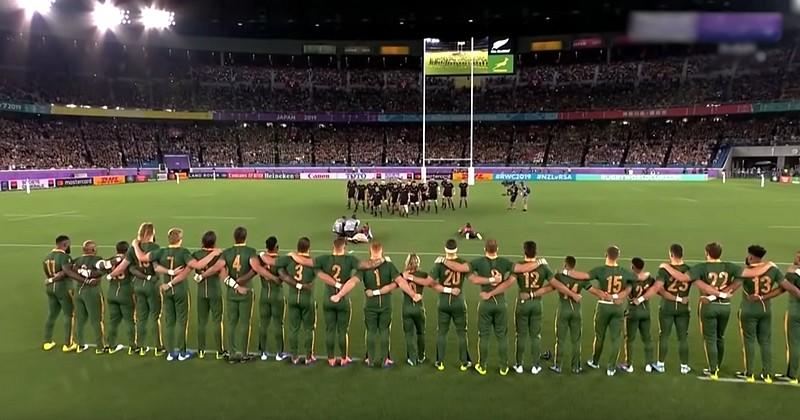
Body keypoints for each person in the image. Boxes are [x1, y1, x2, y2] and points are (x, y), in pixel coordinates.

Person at [661, 242, 774, 380]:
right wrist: (768, 265)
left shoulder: (701, 267)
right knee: (720, 337)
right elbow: (748, 274)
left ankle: (713, 370)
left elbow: (683, 277)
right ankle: (719, 365)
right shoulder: (730, 266)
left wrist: (666, 266)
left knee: (710, 339)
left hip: (709, 306)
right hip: (725, 306)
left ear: (707, 253)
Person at [441, 239, 539, 376]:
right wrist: (539, 262)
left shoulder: (478, 262)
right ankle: (503, 367)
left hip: (486, 304)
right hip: (500, 303)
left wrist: (444, 261)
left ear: (484, 249)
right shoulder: (504, 262)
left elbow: (462, 269)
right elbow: (522, 269)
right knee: (502, 337)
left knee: (484, 336)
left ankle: (482, 366)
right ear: (497, 249)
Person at [132, 228, 221, 361]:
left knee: (169, 322)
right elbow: (198, 265)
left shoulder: (161, 252)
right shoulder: (184, 253)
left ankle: (170, 352)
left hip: (167, 291)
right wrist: (213, 254)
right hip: (180, 290)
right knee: (181, 322)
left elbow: (143, 258)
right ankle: (182, 353)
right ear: (180, 239)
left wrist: (134, 245)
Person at [331, 242, 416, 368]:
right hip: (386, 304)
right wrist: (413, 294)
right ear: (382, 252)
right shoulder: (389, 265)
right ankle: (385, 359)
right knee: (384, 331)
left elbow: (353, 282)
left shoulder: (365, 267)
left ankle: (370, 359)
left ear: (370, 252)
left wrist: (339, 295)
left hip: (370, 304)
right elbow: (401, 281)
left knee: (370, 331)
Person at [565, 246, 644, 376]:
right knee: (616, 339)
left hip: (603, 306)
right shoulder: (624, 272)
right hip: (617, 307)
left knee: (599, 336)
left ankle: (595, 362)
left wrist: (567, 272)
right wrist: (620, 296)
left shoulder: (600, 270)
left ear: (605, 255)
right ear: (618, 256)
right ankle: (611, 368)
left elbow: (584, 276)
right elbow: (637, 279)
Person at [727, 245, 783, 383]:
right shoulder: (773, 270)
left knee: (749, 341)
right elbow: (783, 288)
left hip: (748, 310)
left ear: (751, 256)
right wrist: (765, 297)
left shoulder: (746, 271)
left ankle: (749, 373)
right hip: (765, 310)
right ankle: (767, 374)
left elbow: (733, 288)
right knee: (765, 342)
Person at [107, 222, 163, 357]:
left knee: (141, 317)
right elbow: (156, 267)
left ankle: (141, 347)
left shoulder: (133, 249)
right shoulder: (156, 247)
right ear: (152, 233)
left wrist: (110, 275)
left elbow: (122, 267)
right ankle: (158, 347)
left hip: (138, 286)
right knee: (155, 317)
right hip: (151, 286)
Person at [641, 244, 693, 375]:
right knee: (683, 337)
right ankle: (684, 366)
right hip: (683, 308)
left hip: (667, 307)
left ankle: (660, 364)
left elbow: (658, 288)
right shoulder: (689, 270)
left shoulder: (664, 270)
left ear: (671, 254)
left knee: (664, 335)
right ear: (682, 254)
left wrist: (642, 298)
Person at [314, 238, 361, 367]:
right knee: (342, 330)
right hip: (343, 300)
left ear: (333, 246)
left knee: (330, 330)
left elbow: (316, 270)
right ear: (344, 247)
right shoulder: (350, 260)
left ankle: (330, 358)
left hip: (328, 299)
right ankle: (344, 357)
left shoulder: (323, 259)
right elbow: (362, 268)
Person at [509, 241, 554, 375]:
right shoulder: (544, 267)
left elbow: (509, 281)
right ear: (536, 252)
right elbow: (553, 285)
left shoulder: (518, 266)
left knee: (521, 335)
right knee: (535, 336)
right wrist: (534, 293)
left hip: (522, 303)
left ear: (524, 251)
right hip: (536, 303)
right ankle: (535, 366)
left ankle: (519, 365)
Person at [429, 240, 470, 371]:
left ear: (445, 249)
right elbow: (473, 277)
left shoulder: (439, 264)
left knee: (441, 332)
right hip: (458, 301)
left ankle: (439, 361)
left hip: (444, 302)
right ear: (456, 250)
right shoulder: (462, 262)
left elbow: (430, 283)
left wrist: (447, 290)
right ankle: (464, 362)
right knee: (462, 333)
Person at [276, 237, 318, 365]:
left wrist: (287, 277)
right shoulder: (312, 262)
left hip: (293, 297)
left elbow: (278, 267)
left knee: (294, 328)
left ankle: (294, 356)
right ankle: (308, 356)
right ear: (308, 248)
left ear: (297, 248)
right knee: (308, 328)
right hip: (307, 298)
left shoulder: (288, 260)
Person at [548, 256, 591, 374]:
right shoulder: (581, 278)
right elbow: (592, 290)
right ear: (574, 265)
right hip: (576, 311)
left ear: (565, 264)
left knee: (560, 340)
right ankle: (576, 367)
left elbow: (550, 287)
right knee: (576, 340)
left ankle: (558, 366)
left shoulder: (559, 276)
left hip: (563, 310)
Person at [42, 235, 79, 353]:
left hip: (50, 288)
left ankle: (47, 342)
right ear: (65, 244)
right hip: (63, 288)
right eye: (68, 244)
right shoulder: (64, 257)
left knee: (52, 314)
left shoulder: (47, 257)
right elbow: (66, 272)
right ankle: (68, 344)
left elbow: (48, 273)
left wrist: (51, 280)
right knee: (69, 315)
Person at [192, 231, 226, 360]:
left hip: (201, 292)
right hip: (215, 290)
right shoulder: (218, 255)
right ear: (214, 243)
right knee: (217, 321)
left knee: (202, 321)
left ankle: (201, 350)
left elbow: (195, 269)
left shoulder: (196, 254)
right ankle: (219, 350)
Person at [619, 258, 656, 374]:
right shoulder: (649, 278)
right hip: (645, 310)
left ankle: (629, 365)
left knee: (629, 339)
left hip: (633, 311)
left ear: (633, 266)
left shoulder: (629, 278)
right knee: (647, 338)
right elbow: (654, 289)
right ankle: (649, 365)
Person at [72, 240, 107, 354]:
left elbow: (72, 271)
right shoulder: (98, 259)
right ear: (92, 250)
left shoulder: (77, 260)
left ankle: (80, 345)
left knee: (80, 320)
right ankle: (100, 347)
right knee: (97, 320)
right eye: (95, 248)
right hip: (92, 292)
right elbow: (104, 270)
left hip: (78, 292)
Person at [399, 253, 433, 366]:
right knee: (421, 333)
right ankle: (421, 356)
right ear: (418, 263)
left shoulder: (402, 275)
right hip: (419, 308)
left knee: (409, 334)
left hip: (407, 308)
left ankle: (412, 359)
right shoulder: (423, 274)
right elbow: (432, 282)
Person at [104, 241, 135, 355]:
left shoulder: (110, 260)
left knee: (113, 321)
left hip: (112, 292)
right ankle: (133, 346)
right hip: (125, 292)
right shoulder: (129, 261)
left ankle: (111, 345)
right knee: (130, 320)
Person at [782, 251, 800, 385]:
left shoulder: (793, 275)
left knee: (793, 344)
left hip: (795, 312)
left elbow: (784, 284)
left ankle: (791, 375)